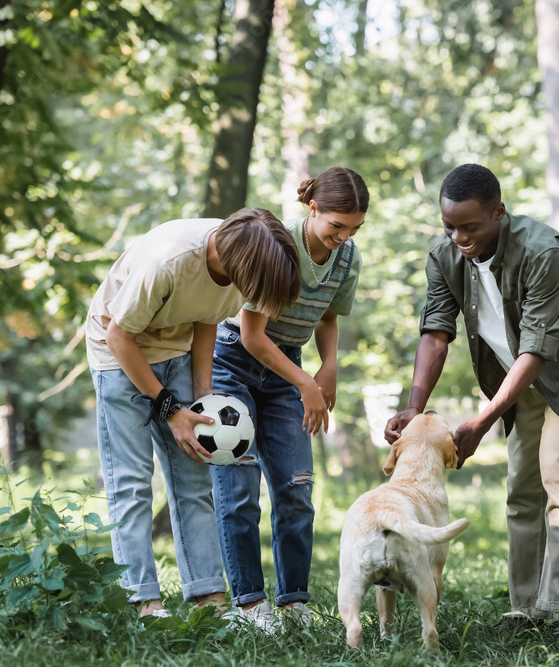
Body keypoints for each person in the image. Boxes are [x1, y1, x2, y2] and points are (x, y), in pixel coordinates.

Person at [385, 164, 559, 636]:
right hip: (521, 381)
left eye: (470, 226)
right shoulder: (444, 256)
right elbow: (436, 332)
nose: (458, 237)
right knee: (521, 492)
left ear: (499, 212)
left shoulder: (542, 251)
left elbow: (537, 348)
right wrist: (415, 406)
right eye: (449, 226)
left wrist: (482, 421)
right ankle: (527, 611)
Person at [85, 209, 300, 620]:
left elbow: (206, 317)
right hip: (118, 354)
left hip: (176, 350)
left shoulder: (242, 269)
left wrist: (203, 395)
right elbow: (119, 335)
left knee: (193, 479)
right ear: (241, 266)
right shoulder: (167, 262)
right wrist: (170, 410)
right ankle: (143, 601)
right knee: (132, 484)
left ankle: (208, 599)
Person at [210, 167, 369, 633]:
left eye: (355, 228)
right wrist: (307, 385)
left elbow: (328, 318)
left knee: (296, 488)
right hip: (235, 362)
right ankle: (248, 606)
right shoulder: (277, 246)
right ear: (312, 208)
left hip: (290, 367)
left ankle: (294, 605)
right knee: (239, 489)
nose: (344, 236)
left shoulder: (346, 259)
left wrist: (330, 365)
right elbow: (253, 335)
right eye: (336, 225)